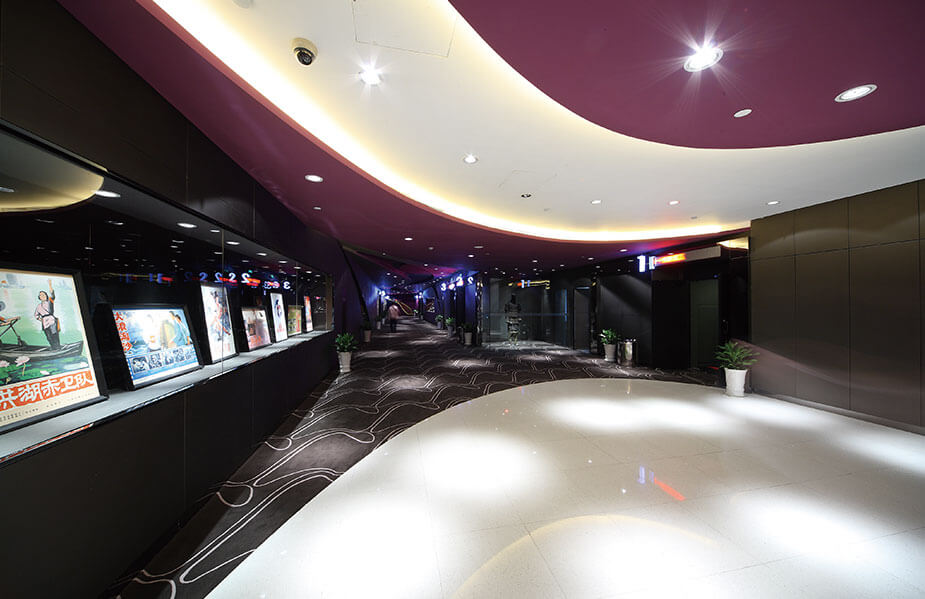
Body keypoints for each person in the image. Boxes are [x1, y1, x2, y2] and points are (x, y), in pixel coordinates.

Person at [33, 278, 60, 349]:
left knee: (54, 334)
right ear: (39, 297)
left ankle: (57, 347)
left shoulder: (49, 301)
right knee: (49, 337)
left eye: (44, 295)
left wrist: (50, 285)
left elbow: (53, 295)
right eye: (41, 295)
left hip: (51, 320)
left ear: (46, 295)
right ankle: (53, 347)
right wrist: (41, 320)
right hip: (44, 322)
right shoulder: (39, 306)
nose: (42, 296)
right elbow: (36, 315)